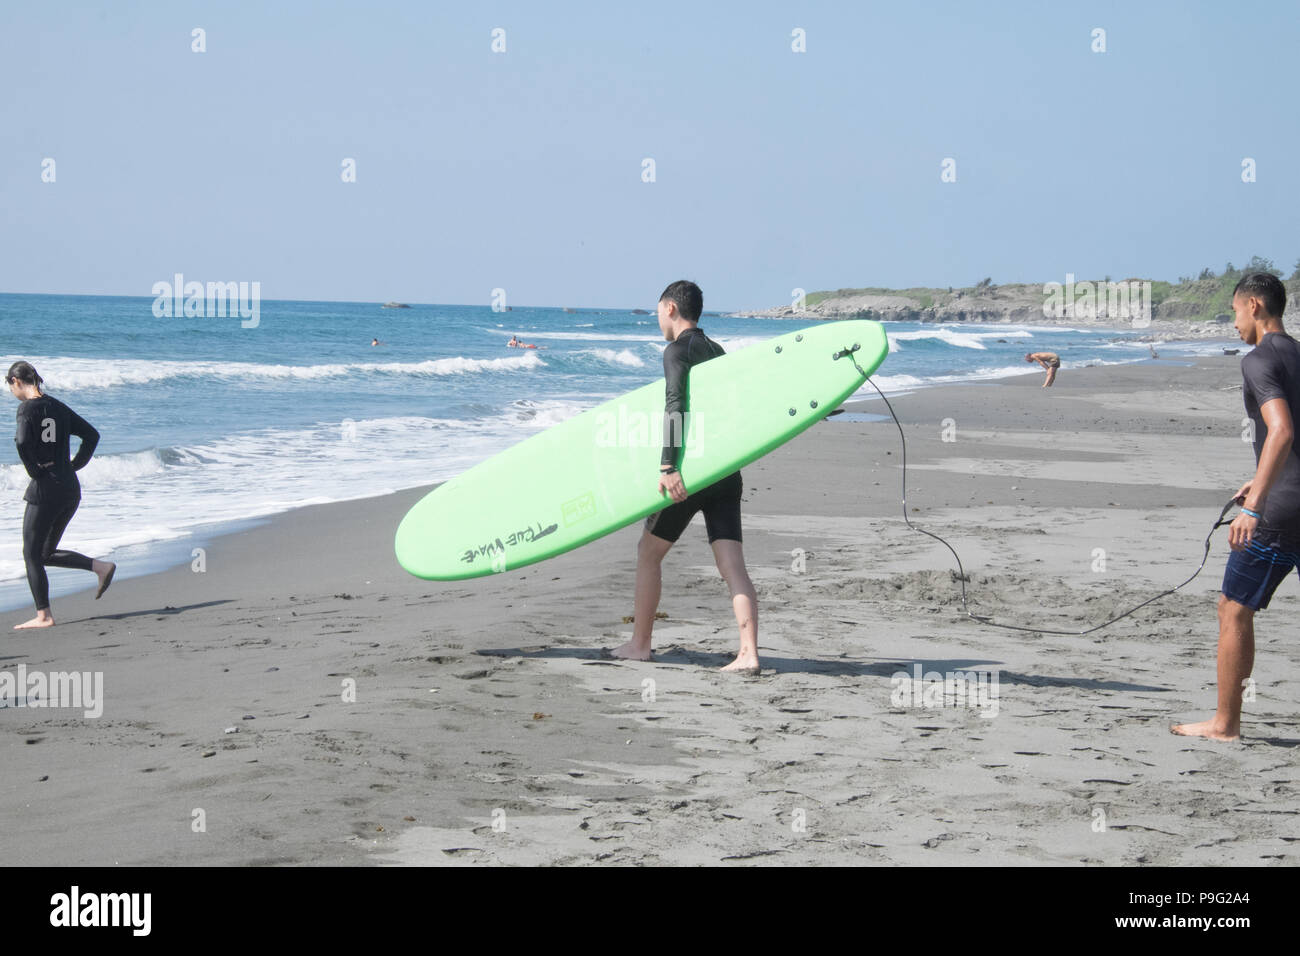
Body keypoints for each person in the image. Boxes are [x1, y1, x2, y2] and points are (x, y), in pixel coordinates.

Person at [609, 280, 759, 673]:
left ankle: (641, 644)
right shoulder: (718, 351)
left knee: (648, 552)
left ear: (671, 308)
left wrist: (668, 466)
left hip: (690, 474)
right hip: (726, 472)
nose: (658, 318)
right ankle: (748, 653)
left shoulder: (677, 351)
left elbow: (676, 405)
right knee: (732, 566)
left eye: (659, 310)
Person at [1174, 273, 1296, 742]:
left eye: (1234, 311)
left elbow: (1282, 430)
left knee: (1234, 609)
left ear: (1255, 305)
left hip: (1280, 514)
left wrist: (1256, 504)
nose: (1233, 322)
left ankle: (1225, 723)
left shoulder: (1259, 359)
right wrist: (1262, 476)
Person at [7, 361, 115, 629]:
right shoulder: (57, 406)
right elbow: (92, 435)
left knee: (31, 553)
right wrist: (74, 465)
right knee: (44, 552)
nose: (11, 392)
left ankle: (43, 616)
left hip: (46, 489)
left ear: (16, 382)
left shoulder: (26, 409)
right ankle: (100, 567)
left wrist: (33, 470)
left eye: (9, 386)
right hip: (70, 488)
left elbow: (21, 442)